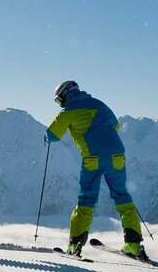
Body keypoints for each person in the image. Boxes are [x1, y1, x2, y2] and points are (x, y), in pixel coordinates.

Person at [44, 81, 148, 261]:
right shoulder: (100, 104)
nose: (60, 104)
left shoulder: (67, 112)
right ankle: (133, 244)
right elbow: (115, 126)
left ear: (65, 95)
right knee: (122, 197)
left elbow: (52, 135)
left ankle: (74, 245)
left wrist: (46, 136)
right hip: (117, 155)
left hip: (93, 158)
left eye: (59, 100)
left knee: (86, 199)